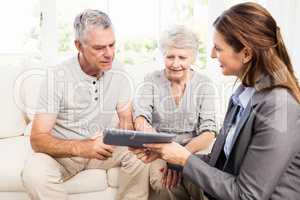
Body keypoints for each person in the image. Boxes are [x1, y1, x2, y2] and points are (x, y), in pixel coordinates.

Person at [134, 2, 300, 200]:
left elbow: (247, 196)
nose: (212, 54)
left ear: (246, 54)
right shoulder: (243, 94)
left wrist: (184, 159)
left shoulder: (278, 105)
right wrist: (167, 155)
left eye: (218, 48)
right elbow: (219, 161)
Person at [21, 9, 149, 200]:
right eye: (99, 48)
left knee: (141, 156)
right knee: (34, 174)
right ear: (78, 45)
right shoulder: (57, 77)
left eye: (112, 45)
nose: (109, 54)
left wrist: (134, 132)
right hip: (64, 155)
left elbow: (125, 121)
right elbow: (37, 139)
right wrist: (82, 147)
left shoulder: (119, 72)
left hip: (104, 148)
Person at [133, 25, 217, 200]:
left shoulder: (205, 84)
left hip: (194, 149)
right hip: (160, 149)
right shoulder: (151, 80)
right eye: (170, 56)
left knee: (200, 183)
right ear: (163, 55)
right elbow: (141, 118)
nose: (175, 63)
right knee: (166, 184)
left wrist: (179, 158)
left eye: (182, 57)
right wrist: (163, 149)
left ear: (193, 58)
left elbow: (209, 131)